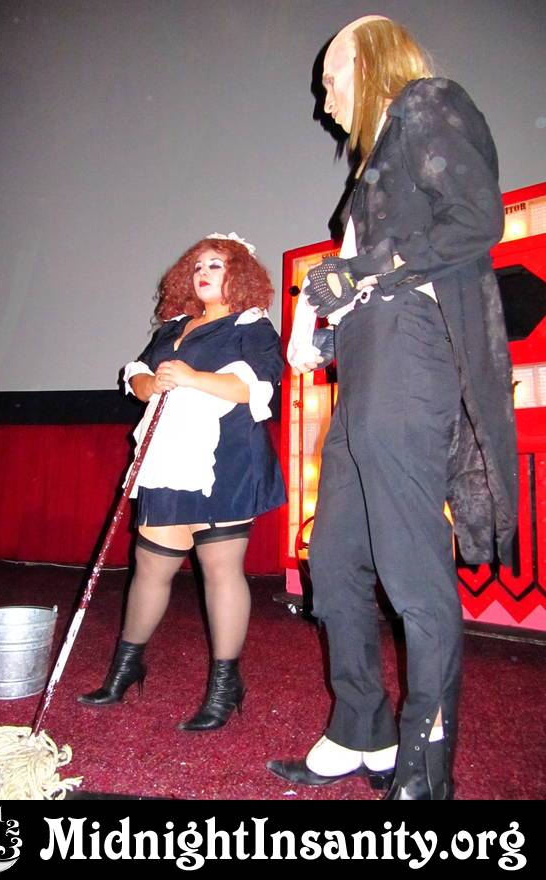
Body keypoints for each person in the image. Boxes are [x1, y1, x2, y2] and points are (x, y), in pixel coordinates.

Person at [267, 16, 517, 799]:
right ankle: (360, 728)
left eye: (331, 77)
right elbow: (362, 278)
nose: (324, 99)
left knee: (409, 564)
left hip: (409, 353)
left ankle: (425, 756)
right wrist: (323, 330)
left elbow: (475, 218)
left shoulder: (426, 102)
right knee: (333, 559)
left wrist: (359, 271)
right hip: (367, 362)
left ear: (369, 59)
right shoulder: (373, 163)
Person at [79, 232, 286, 730]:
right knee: (151, 567)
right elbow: (137, 378)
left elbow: (256, 386)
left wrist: (191, 377)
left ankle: (225, 686)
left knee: (220, 570)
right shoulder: (174, 326)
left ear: (239, 273)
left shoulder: (252, 325)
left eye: (216, 264)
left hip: (226, 459)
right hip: (167, 458)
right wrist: (150, 382)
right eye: (197, 266)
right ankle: (126, 668)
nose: (203, 272)